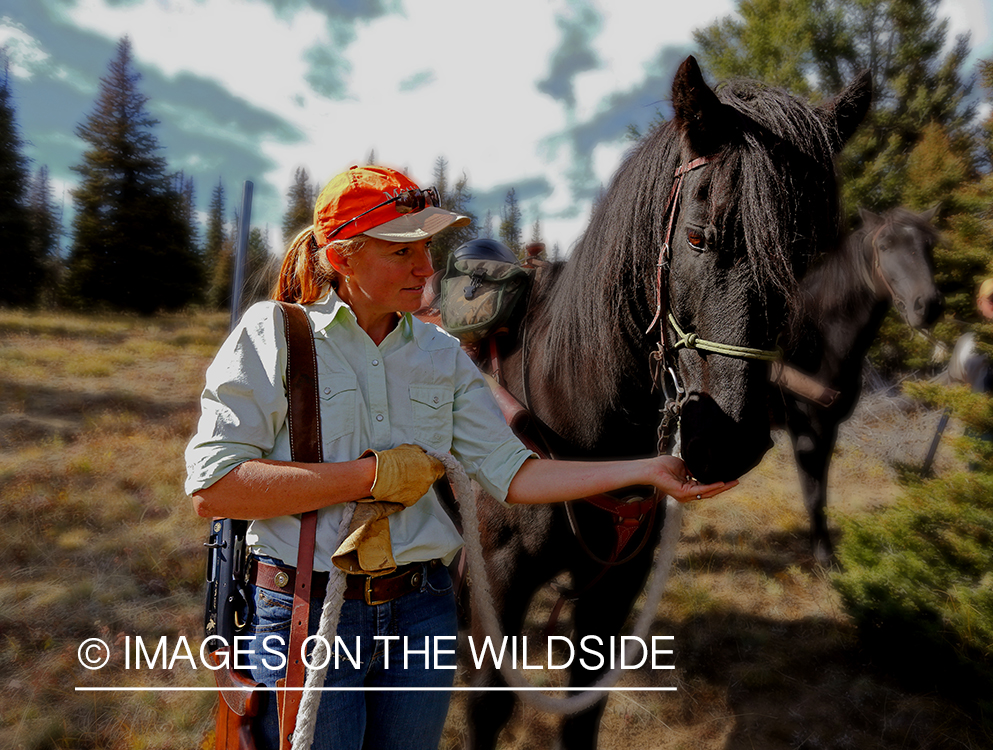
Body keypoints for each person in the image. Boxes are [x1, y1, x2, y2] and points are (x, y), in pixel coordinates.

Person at [184, 164, 731, 750]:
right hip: (306, 610)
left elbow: (515, 474)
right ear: (343, 258)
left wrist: (647, 470)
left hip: (422, 612)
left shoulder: (440, 354)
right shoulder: (276, 336)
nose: (426, 268)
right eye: (401, 251)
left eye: (426, 247)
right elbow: (215, 488)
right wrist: (369, 476)